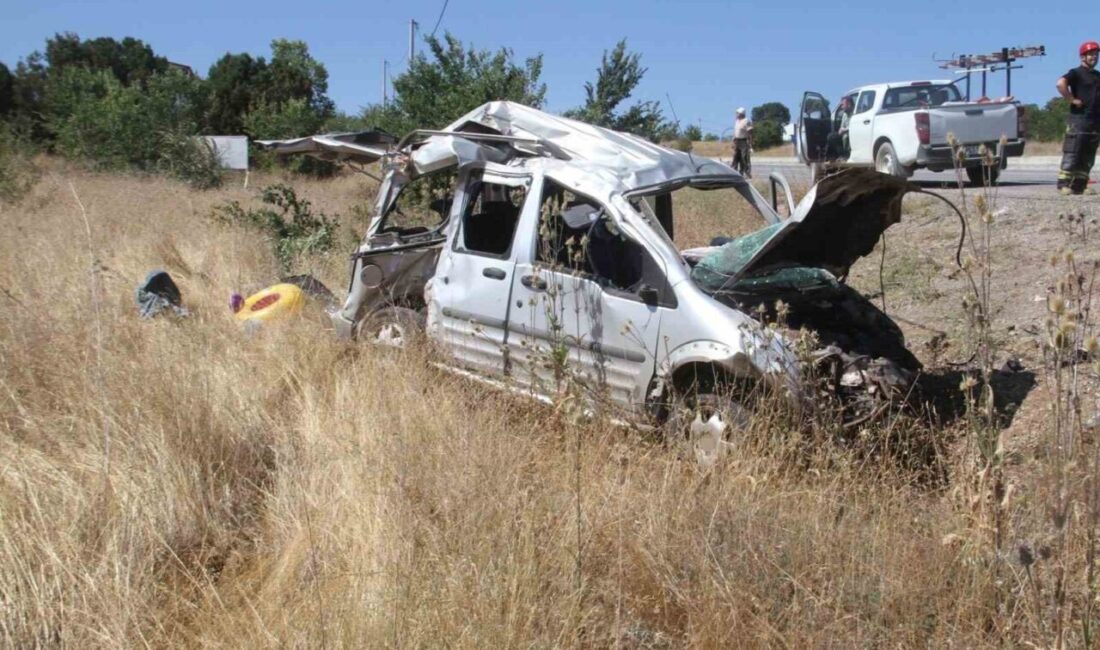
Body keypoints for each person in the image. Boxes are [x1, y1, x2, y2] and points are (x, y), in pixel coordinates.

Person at [1056, 41, 1100, 195]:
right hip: (1078, 119)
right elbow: (1060, 84)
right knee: (1073, 151)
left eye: (1096, 54)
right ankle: (1063, 184)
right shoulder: (1076, 73)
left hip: (1094, 121)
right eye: (1091, 54)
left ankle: (1080, 185)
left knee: (1088, 154)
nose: (1094, 57)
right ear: (1083, 57)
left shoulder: (1097, 76)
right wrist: (1071, 99)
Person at [731, 107, 753, 178]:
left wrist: (750, 144)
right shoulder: (737, 121)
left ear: (741, 114)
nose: (736, 114)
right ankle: (733, 172)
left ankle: (746, 172)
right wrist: (733, 140)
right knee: (735, 157)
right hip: (737, 141)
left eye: (737, 113)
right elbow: (735, 131)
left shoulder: (747, 121)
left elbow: (750, 133)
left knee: (744, 158)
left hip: (743, 141)